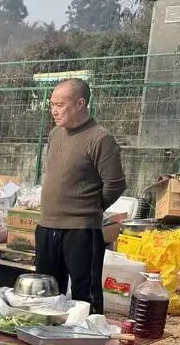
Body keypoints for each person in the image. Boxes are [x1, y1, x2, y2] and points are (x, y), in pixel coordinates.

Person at [36, 78, 126, 314]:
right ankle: (48, 344)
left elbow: (115, 184)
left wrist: (91, 208)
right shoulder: (55, 134)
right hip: (47, 226)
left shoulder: (100, 138)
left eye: (60, 104)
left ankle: (91, 340)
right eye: (52, 104)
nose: (54, 110)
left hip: (81, 230)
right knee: (46, 292)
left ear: (80, 104)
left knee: (84, 294)